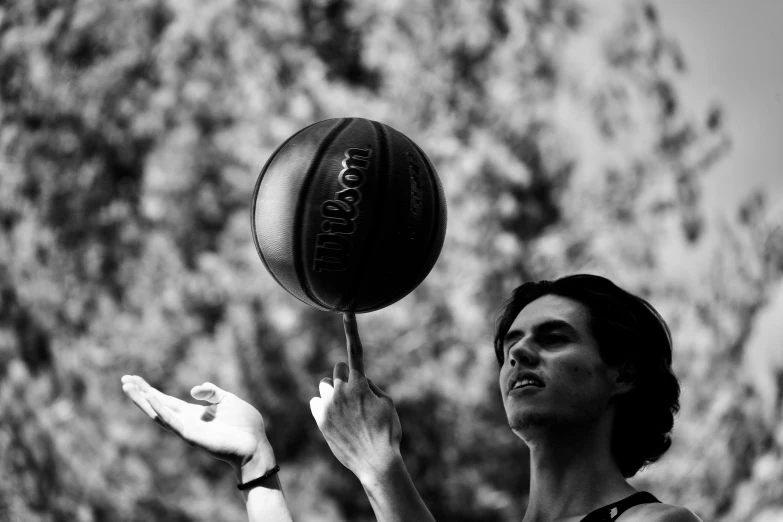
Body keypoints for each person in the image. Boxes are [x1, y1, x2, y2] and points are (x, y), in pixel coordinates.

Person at [121, 274, 704, 521]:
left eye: (553, 338)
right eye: (510, 345)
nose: (518, 355)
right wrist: (259, 470)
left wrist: (379, 467)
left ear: (621, 374)